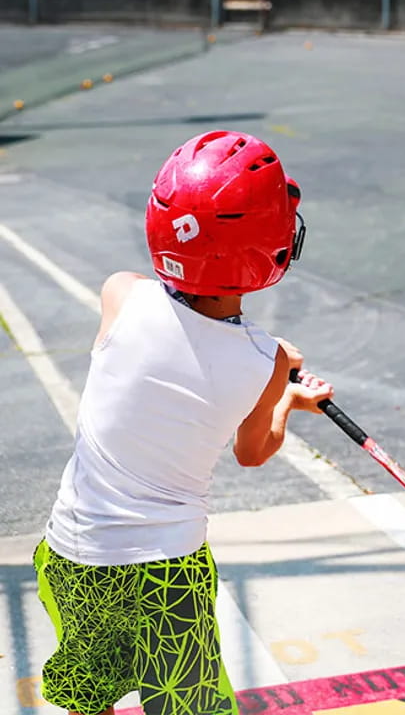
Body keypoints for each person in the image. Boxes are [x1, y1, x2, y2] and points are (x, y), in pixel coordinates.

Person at [33, 130, 333, 715]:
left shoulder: (121, 295)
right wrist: (285, 399)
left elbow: (173, 343)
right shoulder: (264, 361)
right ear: (269, 250)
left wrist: (272, 373)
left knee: (87, 697)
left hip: (71, 552)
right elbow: (254, 451)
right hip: (165, 577)